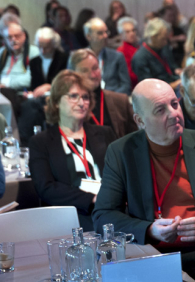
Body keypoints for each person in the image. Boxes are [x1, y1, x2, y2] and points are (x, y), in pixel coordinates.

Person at [92, 78, 195, 282]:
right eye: (160, 110)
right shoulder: (121, 152)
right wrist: (149, 229)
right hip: (154, 259)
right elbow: (103, 215)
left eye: (175, 104)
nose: (174, 113)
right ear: (140, 120)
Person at [28, 71, 116, 231]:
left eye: (85, 97)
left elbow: (121, 174)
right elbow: (46, 188)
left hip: (111, 210)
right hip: (72, 215)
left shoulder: (105, 133)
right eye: (73, 96)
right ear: (56, 102)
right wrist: (92, 199)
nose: (81, 102)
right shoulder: (41, 142)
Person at [71, 49, 137, 140]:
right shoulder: (70, 106)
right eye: (85, 71)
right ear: (74, 74)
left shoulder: (120, 101)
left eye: (95, 68)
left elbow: (136, 138)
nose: (93, 75)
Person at [84, 17, 131, 94]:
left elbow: (126, 85)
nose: (105, 36)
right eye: (100, 33)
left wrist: (110, 98)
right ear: (88, 36)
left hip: (113, 100)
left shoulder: (117, 56)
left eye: (106, 32)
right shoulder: (79, 58)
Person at [131, 18, 180, 87]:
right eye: (163, 39)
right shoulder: (140, 58)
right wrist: (175, 84)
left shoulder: (162, 48)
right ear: (153, 37)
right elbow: (149, 88)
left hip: (171, 83)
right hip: (158, 93)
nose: (166, 42)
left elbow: (171, 71)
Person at [0, 17, 39, 91]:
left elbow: (31, 78)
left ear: (24, 36)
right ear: (5, 40)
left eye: (17, 36)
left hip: (21, 93)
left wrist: (7, 83)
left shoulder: (34, 52)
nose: (14, 40)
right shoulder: (2, 52)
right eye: (9, 37)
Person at [30, 27, 67, 97]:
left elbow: (66, 82)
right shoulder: (34, 62)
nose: (42, 51)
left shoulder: (65, 59)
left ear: (54, 45)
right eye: (39, 46)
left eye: (46, 47)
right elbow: (34, 85)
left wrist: (50, 86)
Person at [116, 17, 140, 87]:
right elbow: (128, 75)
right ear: (121, 34)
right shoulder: (121, 51)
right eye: (127, 32)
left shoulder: (140, 46)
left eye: (133, 30)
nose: (132, 33)